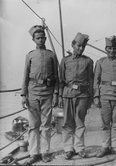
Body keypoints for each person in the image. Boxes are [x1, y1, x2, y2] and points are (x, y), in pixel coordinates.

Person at [21, 25, 59, 165]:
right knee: (33, 125)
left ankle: (45, 152)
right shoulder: (30, 55)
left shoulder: (51, 55)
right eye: (38, 38)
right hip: (33, 94)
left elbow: (57, 76)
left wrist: (56, 94)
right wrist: (23, 95)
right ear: (33, 39)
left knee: (46, 125)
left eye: (43, 37)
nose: (41, 40)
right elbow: (25, 76)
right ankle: (33, 153)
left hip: (47, 93)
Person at [58, 32, 94, 160]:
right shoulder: (65, 61)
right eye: (78, 45)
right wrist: (59, 97)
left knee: (80, 122)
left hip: (82, 95)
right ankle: (68, 148)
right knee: (68, 122)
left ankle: (80, 148)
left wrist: (90, 98)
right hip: (67, 95)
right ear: (73, 45)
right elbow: (61, 80)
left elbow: (91, 81)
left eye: (83, 47)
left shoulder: (88, 61)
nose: (80, 48)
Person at [94, 36, 116, 158]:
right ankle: (105, 147)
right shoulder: (100, 62)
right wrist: (96, 96)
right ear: (105, 49)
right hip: (104, 95)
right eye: (109, 48)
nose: (112, 51)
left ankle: (115, 147)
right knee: (105, 123)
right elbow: (96, 81)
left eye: (114, 48)